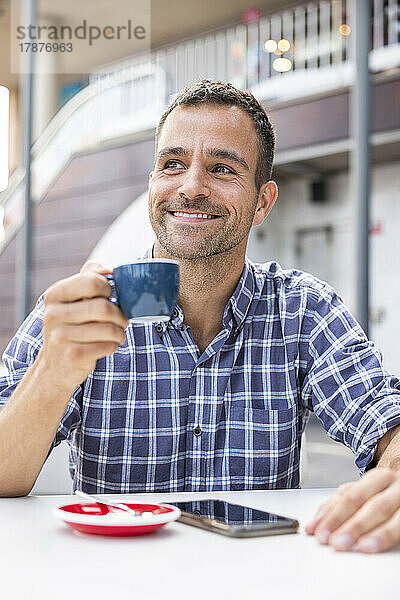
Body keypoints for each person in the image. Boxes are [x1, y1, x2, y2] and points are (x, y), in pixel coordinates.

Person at [1, 80, 400, 554]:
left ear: (262, 202)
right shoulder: (79, 311)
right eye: (172, 164)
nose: (191, 187)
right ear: (152, 184)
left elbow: (384, 418)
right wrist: (53, 371)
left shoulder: (303, 309)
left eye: (222, 168)